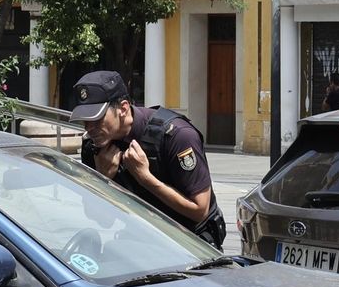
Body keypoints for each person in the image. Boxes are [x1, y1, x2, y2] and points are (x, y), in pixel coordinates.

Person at [70, 69, 226, 249]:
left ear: (123, 108)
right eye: (85, 120)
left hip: (190, 246)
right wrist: (103, 181)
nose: (90, 127)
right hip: (140, 245)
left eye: (97, 119)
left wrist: (146, 179)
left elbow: (200, 211)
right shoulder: (94, 146)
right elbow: (102, 221)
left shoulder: (177, 136)